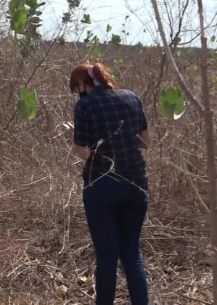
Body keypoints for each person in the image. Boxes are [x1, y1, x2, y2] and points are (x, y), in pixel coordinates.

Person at [68, 62, 151, 305]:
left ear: (82, 84)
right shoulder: (131, 97)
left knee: (106, 257)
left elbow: (83, 152)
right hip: (137, 184)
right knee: (132, 256)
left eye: (76, 88)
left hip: (102, 185)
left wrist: (71, 138)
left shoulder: (84, 105)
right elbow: (146, 142)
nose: (77, 93)